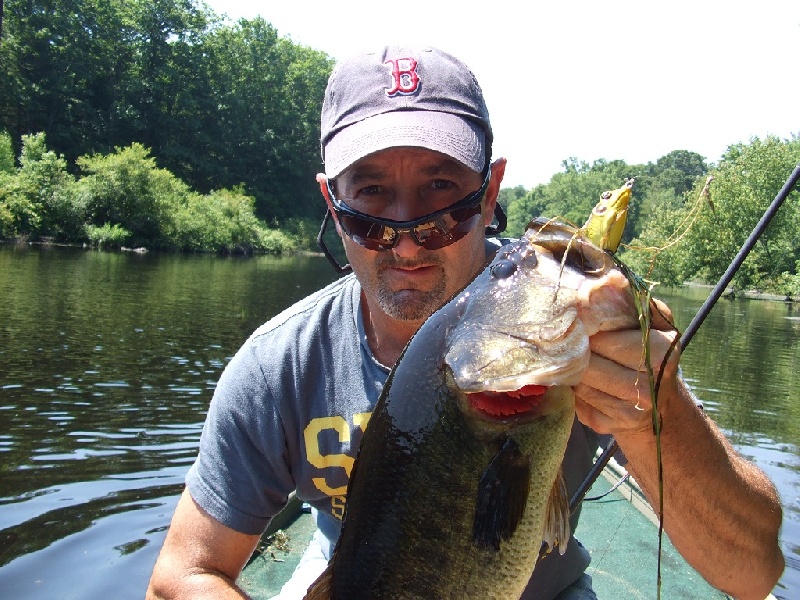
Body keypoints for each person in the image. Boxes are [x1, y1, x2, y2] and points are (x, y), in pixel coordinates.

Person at [146, 46, 784, 600]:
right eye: (368, 198)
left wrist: (657, 417)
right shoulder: (280, 363)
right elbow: (181, 576)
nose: (405, 238)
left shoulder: (579, 334)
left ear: (489, 190)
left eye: (440, 190)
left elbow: (752, 577)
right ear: (331, 205)